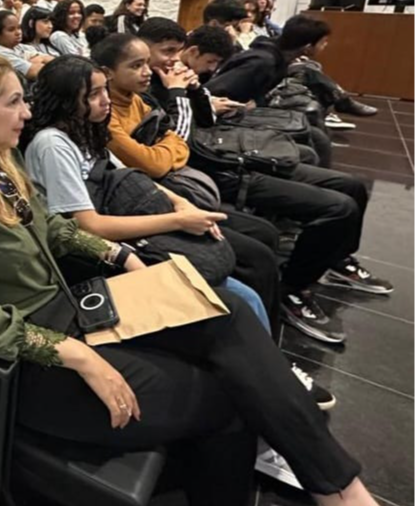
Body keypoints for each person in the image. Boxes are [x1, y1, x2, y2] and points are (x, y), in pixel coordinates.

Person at [0, 53, 414, 506]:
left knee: (226, 311)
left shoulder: (0, 162)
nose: (27, 112)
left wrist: (121, 256)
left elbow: (53, 229)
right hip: (33, 361)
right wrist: (79, 355)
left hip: (71, 311)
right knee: (233, 396)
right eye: (13, 102)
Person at [24, 56, 334, 421]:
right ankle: (270, 385)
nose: (105, 100)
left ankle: (270, 369)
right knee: (242, 294)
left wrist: (181, 203)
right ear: (65, 99)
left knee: (257, 253)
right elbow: (88, 226)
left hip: (135, 214)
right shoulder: (52, 143)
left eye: (104, 90)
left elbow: (131, 175)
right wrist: (176, 220)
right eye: (93, 94)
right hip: (105, 247)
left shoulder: (88, 130)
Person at [92, 33, 391, 347]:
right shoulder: (116, 110)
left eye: (170, 54)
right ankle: (289, 294)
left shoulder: (141, 97)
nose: (169, 62)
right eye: (162, 54)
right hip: (200, 175)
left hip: (210, 161)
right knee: (291, 228)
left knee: (334, 175)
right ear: (107, 72)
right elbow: (160, 161)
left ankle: (324, 265)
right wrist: (177, 106)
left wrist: (194, 94)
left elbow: (184, 137)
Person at [0, 9, 47, 81]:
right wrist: (39, 60)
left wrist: (41, 59)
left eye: (19, 28)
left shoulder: (19, 46)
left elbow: (50, 59)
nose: (18, 32)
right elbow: (34, 72)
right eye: (11, 30)